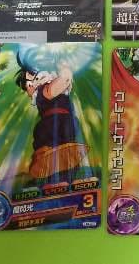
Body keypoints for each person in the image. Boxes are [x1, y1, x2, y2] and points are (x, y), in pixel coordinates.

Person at [15, 54, 87, 182]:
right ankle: (57, 182)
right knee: (55, 156)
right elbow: (63, 81)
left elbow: (63, 82)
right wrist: (64, 68)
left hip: (64, 123)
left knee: (67, 157)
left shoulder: (47, 87)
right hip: (52, 126)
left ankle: (65, 182)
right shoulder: (43, 90)